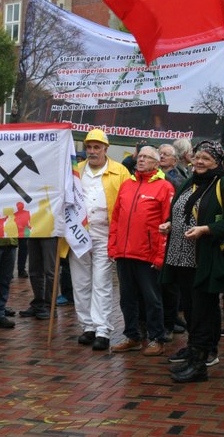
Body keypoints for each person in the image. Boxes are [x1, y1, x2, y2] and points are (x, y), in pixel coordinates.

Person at [159, 140, 224, 383]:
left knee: (204, 311)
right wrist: (170, 223)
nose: (199, 161)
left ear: (217, 162)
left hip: (205, 259)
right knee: (191, 309)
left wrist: (207, 229)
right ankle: (193, 352)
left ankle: (201, 362)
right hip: (181, 257)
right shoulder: (190, 181)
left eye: (206, 158)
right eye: (197, 157)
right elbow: (180, 209)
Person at [109, 146, 174, 356]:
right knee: (126, 298)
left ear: (156, 163)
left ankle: (156, 338)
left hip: (148, 254)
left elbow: (167, 223)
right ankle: (132, 336)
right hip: (125, 252)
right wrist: (114, 246)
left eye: (147, 157)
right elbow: (116, 218)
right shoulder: (127, 184)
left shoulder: (164, 187)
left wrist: (160, 256)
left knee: (152, 299)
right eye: (141, 156)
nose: (141, 159)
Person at [70, 129, 131, 351]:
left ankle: (103, 329)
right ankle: (87, 326)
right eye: (89, 147)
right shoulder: (76, 171)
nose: (93, 151)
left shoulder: (120, 171)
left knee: (101, 281)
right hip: (79, 234)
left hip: (105, 234)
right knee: (81, 282)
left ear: (106, 148)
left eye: (97, 147)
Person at [19, 237, 57, 321]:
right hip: (33, 232)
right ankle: (38, 303)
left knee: (50, 271)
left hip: (50, 233)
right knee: (34, 270)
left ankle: (50, 306)